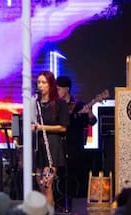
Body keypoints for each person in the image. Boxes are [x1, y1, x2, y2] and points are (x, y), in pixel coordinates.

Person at [56, 75, 98, 205]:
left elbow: (93, 121)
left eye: (59, 89)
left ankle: (75, 202)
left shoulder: (80, 105)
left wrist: (89, 113)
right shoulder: (56, 105)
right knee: (61, 176)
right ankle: (61, 202)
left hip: (75, 146)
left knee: (76, 175)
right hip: (59, 146)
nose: (57, 91)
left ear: (67, 89)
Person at [32, 71, 69, 207]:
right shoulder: (35, 103)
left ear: (50, 84)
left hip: (52, 146)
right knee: (40, 185)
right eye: (38, 82)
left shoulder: (59, 103)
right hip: (38, 146)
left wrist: (42, 127)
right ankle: (43, 214)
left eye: (44, 82)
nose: (40, 85)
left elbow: (63, 127)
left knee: (47, 184)